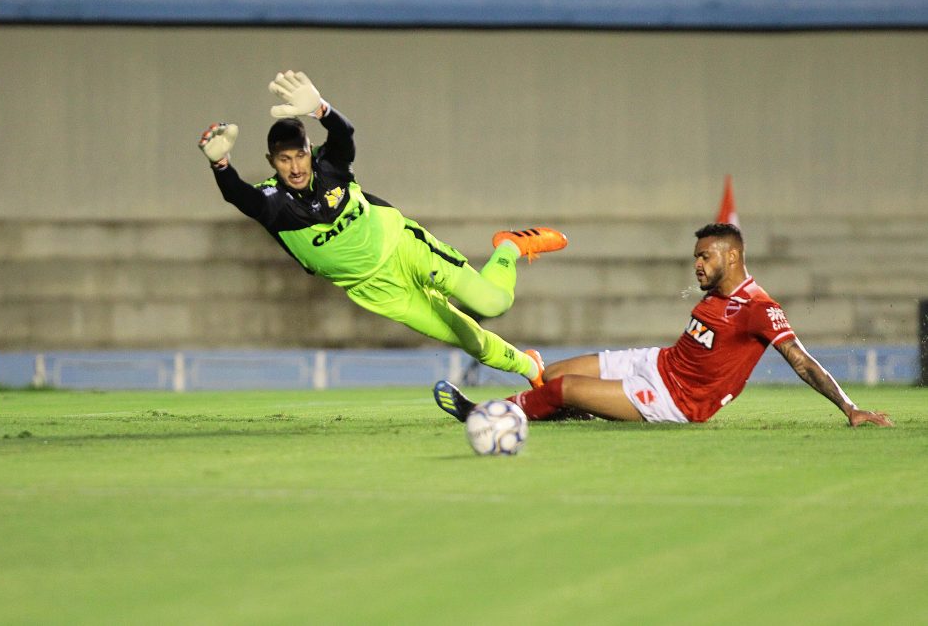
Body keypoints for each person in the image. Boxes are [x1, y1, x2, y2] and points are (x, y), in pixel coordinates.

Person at [198, 70, 567, 387]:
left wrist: (321, 109)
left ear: (310, 151)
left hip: (404, 247)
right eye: (284, 159)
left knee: (493, 302)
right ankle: (531, 367)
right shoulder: (274, 202)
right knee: (468, 339)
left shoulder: (331, 166)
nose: (295, 167)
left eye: (300, 155)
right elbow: (241, 198)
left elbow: (345, 135)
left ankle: (509, 246)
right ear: (271, 162)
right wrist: (221, 166)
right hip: (375, 290)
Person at [434, 222, 893, 427]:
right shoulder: (717, 295)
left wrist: (849, 407)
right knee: (550, 373)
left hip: (675, 400)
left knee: (562, 389)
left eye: (705, 256)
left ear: (732, 256)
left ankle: (482, 413)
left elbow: (801, 361)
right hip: (657, 363)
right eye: (695, 256)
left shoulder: (757, 306)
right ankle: (574, 409)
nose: (696, 264)